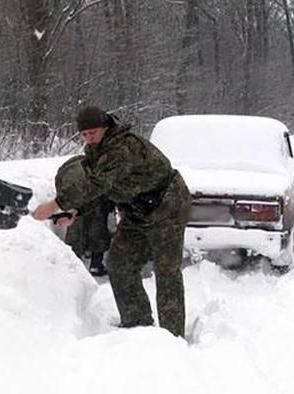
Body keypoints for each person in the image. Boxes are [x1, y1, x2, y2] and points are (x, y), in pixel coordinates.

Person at [33, 106, 191, 336]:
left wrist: (55, 204)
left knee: (167, 271)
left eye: (93, 132)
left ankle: (173, 335)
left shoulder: (123, 147)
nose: (89, 138)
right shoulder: (95, 152)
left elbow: (97, 184)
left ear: (106, 127)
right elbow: (101, 190)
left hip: (167, 206)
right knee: (119, 263)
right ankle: (137, 322)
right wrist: (76, 211)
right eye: (84, 134)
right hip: (137, 210)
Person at [55, 155, 114, 277]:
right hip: (90, 188)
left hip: (69, 185)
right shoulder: (106, 169)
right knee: (98, 221)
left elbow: (59, 182)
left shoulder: (73, 166)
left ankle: (73, 264)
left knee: (76, 221)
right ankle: (96, 264)